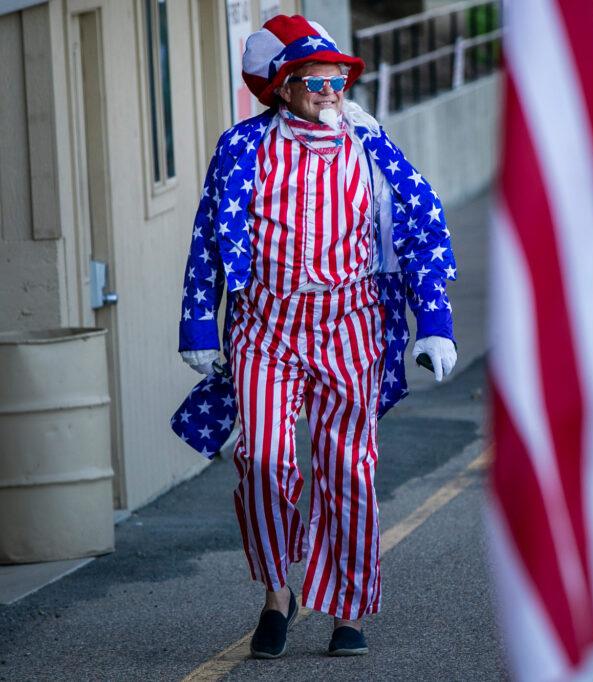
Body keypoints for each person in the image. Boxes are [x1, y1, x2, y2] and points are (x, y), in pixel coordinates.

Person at [171, 15, 458, 659]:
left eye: (339, 78)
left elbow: (423, 229)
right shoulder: (242, 147)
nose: (332, 90)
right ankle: (279, 592)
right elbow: (207, 239)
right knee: (266, 460)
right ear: (283, 86)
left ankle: (349, 609)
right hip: (265, 325)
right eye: (317, 79)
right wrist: (197, 320)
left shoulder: (370, 146)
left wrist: (433, 321)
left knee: (348, 469)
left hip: (349, 321)